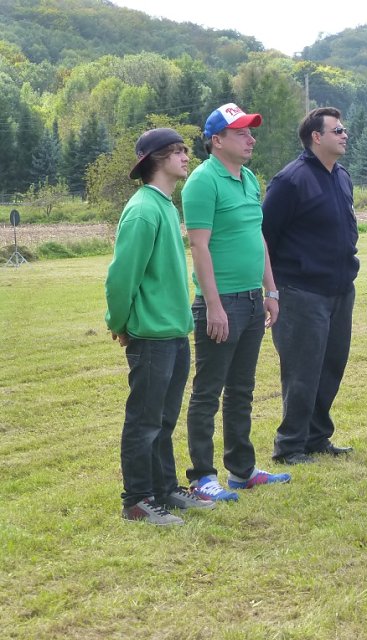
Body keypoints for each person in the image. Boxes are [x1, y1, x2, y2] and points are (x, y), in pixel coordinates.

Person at [182, 103, 291, 501]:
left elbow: (258, 238)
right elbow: (199, 244)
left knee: (242, 388)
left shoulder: (248, 179)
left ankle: (242, 470)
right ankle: (202, 476)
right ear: (217, 140)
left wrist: (271, 290)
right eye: (241, 132)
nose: (251, 139)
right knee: (209, 391)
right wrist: (213, 304)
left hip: (250, 299)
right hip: (220, 301)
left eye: (250, 131)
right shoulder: (202, 181)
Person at [106, 128, 214, 525]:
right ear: (156, 159)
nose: (187, 156)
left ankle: (164, 489)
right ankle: (136, 500)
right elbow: (121, 278)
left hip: (174, 332)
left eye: (186, 150)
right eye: (178, 151)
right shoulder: (143, 210)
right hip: (150, 336)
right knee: (144, 421)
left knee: (165, 420)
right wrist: (117, 323)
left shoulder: (167, 205)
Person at [262, 107, 358, 465]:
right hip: (301, 291)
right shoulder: (290, 180)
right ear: (316, 137)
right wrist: (271, 290)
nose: (345, 134)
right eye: (337, 130)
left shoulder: (342, 177)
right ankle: (289, 446)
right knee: (302, 371)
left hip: (340, 289)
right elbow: (264, 238)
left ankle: (317, 437)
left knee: (331, 366)